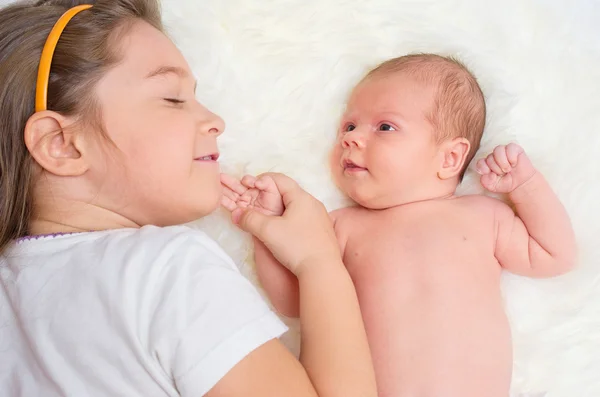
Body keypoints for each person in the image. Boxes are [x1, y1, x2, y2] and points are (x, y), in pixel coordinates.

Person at [0, 1, 377, 396]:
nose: (216, 120)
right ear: (62, 145)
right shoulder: (167, 269)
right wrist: (319, 262)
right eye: (173, 98)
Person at [222, 53, 577, 397]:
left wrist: (526, 186)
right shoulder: (340, 227)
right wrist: (265, 229)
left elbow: (555, 254)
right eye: (348, 125)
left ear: (450, 157)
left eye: (385, 127)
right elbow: (295, 301)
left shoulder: (484, 216)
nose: (350, 138)